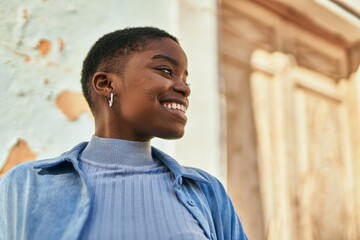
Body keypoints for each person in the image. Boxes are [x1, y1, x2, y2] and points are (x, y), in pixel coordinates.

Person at [0, 27, 247, 240]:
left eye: (185, 78)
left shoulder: (206, 191)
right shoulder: (27, 184)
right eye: (165, 70)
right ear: (106, 84)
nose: (184, 88)